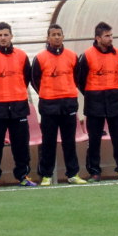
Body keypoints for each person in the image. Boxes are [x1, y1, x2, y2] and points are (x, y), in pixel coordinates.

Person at [0, 22, 37, 188]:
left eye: (6, 35)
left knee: (21, 145)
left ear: (11, 36)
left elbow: (27, 78)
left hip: (19, 107)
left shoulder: (22, 56)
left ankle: (22, 176)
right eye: (0, 35)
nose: (3, 38)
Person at [75, 21, 118, 182]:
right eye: (107, 36)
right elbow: (80, 80)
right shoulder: (87, 55)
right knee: (94, 139)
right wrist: (92, 94)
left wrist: (113, 91)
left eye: (111, 35)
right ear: (98, 38)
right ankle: (94, 172)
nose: (110, 38)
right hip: (94, 102)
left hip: (115, 100)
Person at [32, 24, 87, 185]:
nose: (56, 37)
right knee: (48, 142)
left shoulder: (72, 56)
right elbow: (35, 80)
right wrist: (47, 93)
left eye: (59, 34)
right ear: (48, 38)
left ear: (63, 37)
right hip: (48, 105)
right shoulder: (40, 58)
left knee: (69, 141)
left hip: (68, 104)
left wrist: (67, 91)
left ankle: (73, 174)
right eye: (53, 34)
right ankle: (46, 175)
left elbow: (77, 77)